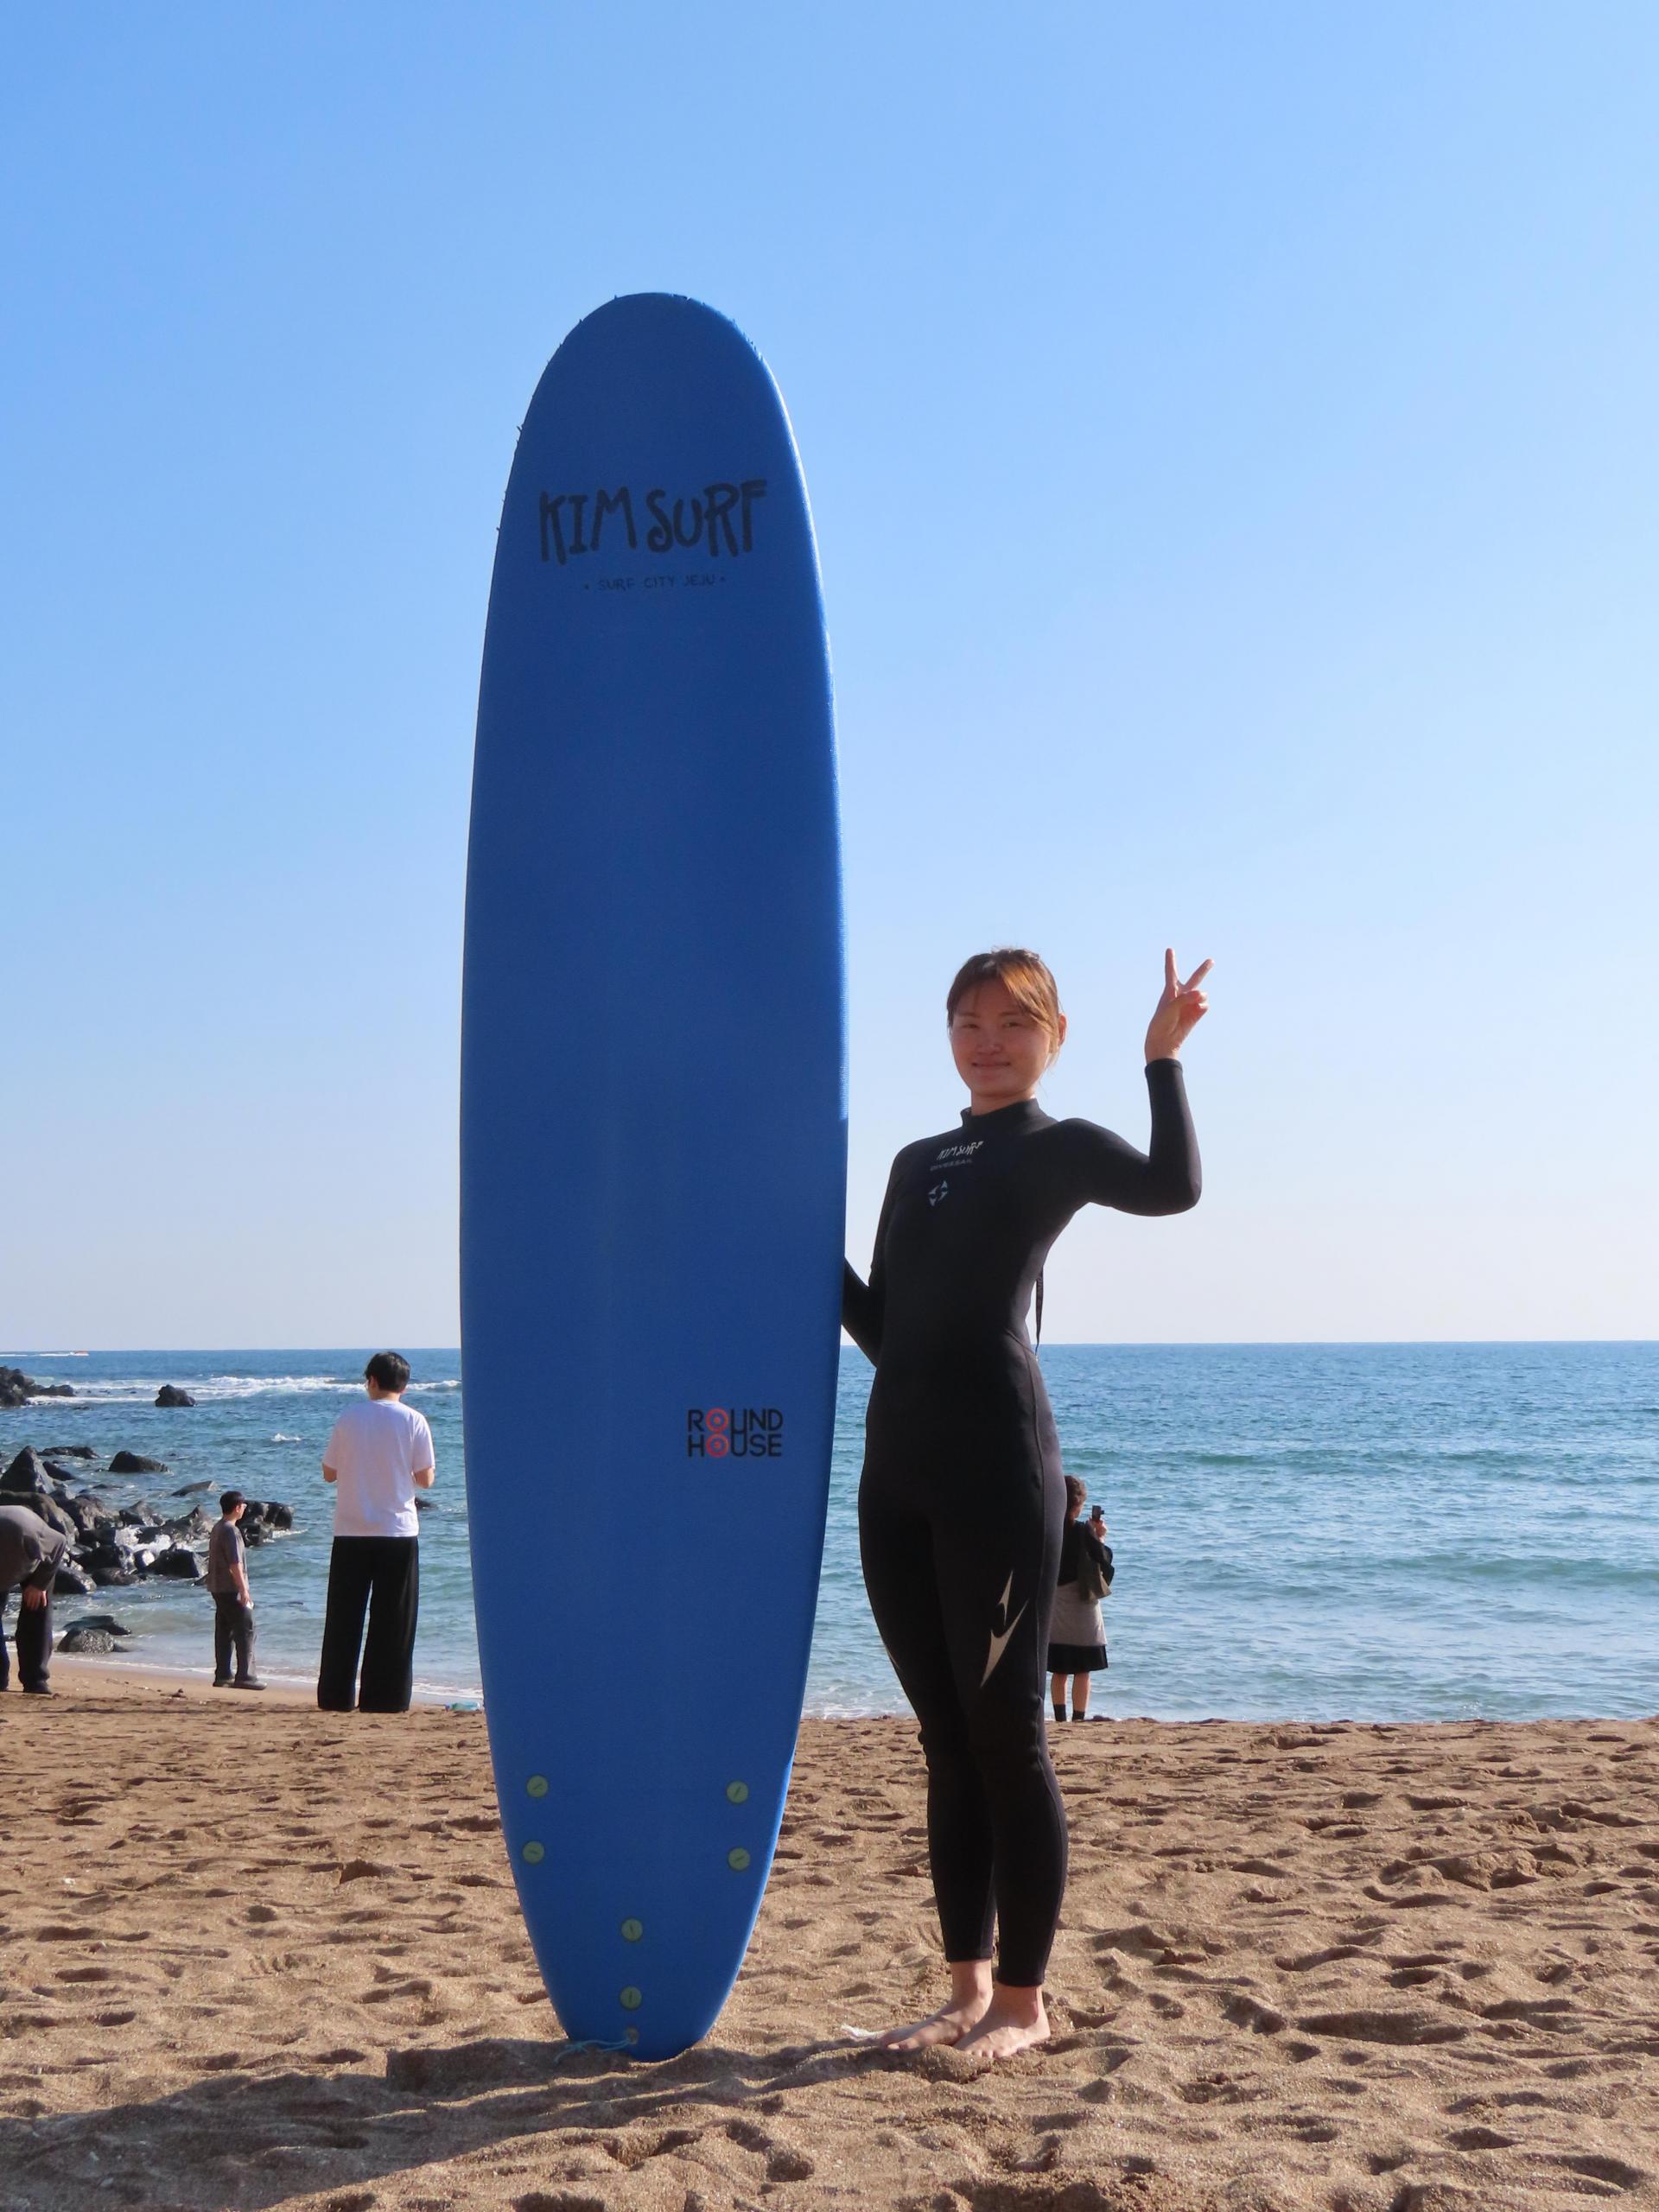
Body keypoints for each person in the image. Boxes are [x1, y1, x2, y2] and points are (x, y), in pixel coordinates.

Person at [842, 944, 1208, 2059]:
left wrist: (1161, 1061)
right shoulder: (914, 1161)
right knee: (945, 1743)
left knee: (1009, 1742)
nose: (989, 1041)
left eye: (1013, 1021)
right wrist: (803, 1241)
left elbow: (1175, 1186)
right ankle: (965, 1990)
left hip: (999, 1472)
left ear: (1054, 1035)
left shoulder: (1060, 1147)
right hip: (896, 1475)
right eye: (969, 1021)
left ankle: (1024, 2002)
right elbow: (886, 1331)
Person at [317, 1351, 435, 1713]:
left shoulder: (349, 1418)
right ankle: (385, 1698)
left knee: (344, 1617)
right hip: (397, 1531)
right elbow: (426, 1479)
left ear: (371, 1381)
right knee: (393, 1618)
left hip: (351, 1529)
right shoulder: (414, 1420)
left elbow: (329, 1473)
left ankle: (336, 1696)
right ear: (405, 1386)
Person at [1049, 1478, 1113, 1723]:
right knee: (1082, 1669)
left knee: (1059, 1669)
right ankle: (1078, 1719)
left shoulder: (1049, 1527)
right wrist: (1100, 1537)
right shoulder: (1083, 1531)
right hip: (1082, 1602)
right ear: (1078, 1505)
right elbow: (1104, 1561)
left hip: (1056, 1602)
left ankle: (1060, 1719)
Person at [0, 1500, 70, 1696]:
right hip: (9, 1560)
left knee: (37, 1612)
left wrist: (39, 1585)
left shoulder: (30, 1535)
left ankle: (36, 1680)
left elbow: (59, 1542)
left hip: (35, 1562)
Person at [207, 1490, 264, 1690]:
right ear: (237, 1508)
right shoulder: (231, 1531)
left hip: (217, 1587)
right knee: (246, 1629)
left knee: (224, 1631)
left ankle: (223, 1674)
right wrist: (243, 1589)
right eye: (243, 1505)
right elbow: (235, 1563)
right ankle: (246, 1676)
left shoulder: (217, 1527)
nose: (245, 1508)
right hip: (230, 1588)